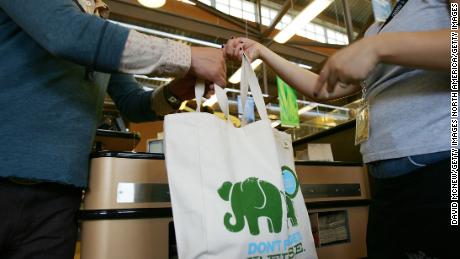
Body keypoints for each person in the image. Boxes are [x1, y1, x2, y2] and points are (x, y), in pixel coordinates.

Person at [225, 0, 453, 258]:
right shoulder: (377, 25)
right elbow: (323, 88)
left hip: (441, 165)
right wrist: (264, 52)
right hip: (384, 178)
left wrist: (378, 48)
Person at [0, 0, 225, 258]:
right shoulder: (81, 27)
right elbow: (66, 33)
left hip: (60, 195)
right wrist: (186, 57)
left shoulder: (98, 27)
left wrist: (175, 92)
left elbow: (133, 103)